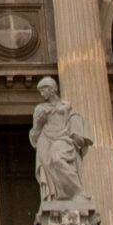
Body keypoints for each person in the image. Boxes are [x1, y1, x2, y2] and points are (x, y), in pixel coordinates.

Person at [30, 76, 93, 209]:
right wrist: (38, 123)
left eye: (43, 90)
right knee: (50, 166)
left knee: (57, 158)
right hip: (45, 141)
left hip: (64, 139)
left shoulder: (66, 106)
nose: (41, 94)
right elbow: (35, 135)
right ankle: (57, 197)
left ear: (52, 89)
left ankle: (77, 192)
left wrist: (77, 134)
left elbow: (75, 119)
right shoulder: (40, 109)